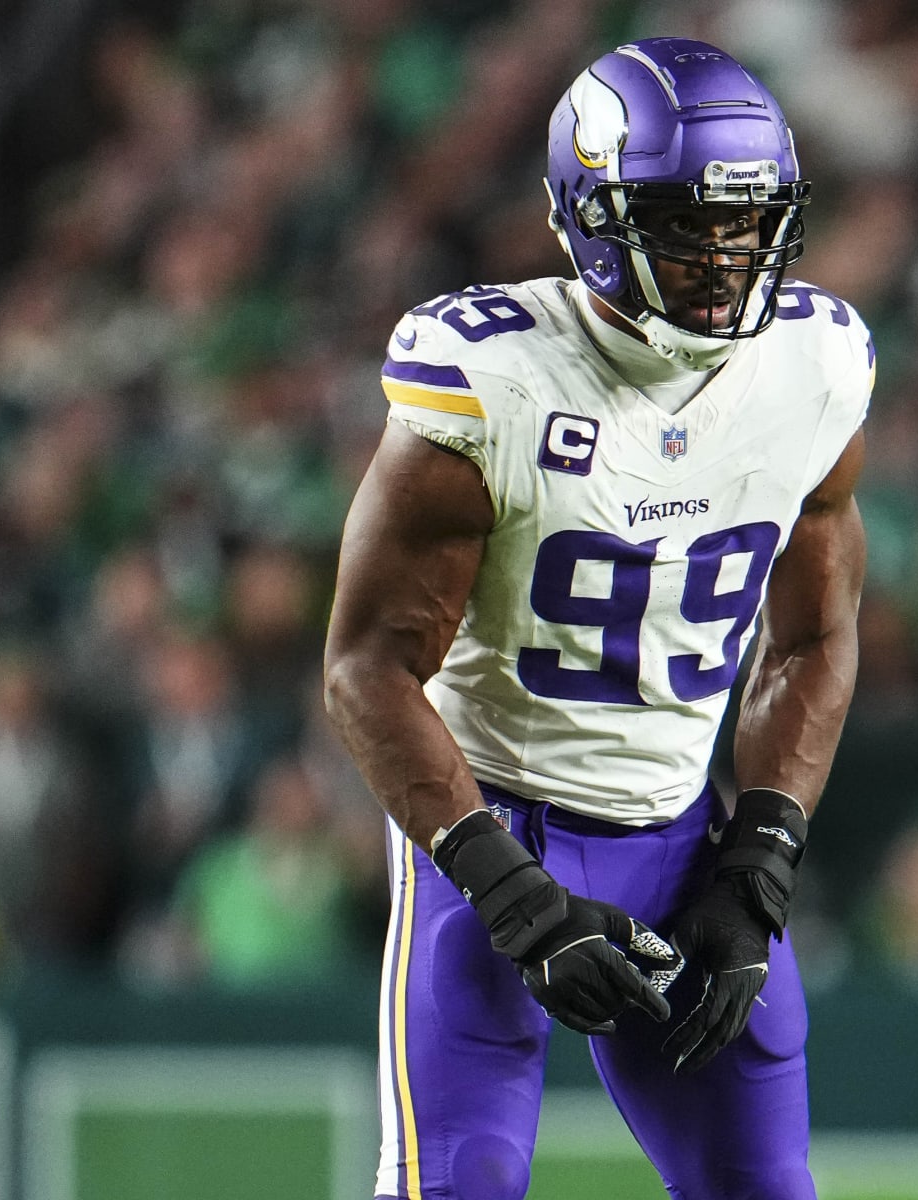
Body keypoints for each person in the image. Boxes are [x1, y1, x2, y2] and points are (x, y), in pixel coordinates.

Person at [323, 37, 871, 1200]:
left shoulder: (814, 365)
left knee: (768, 1186)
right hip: (492, 831)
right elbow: (368, 669)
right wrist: (507, 893)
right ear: (590, 218)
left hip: (683, 839)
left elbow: (815, 636)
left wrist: (759, 858)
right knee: (455, 1184)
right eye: (684, 223)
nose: (724, 259)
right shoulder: (496, 380)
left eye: (746, 221)